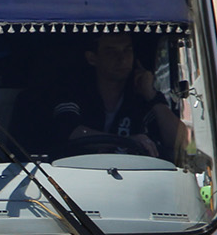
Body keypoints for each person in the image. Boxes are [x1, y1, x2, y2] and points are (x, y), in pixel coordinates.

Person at [51, 31, 185, 159]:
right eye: (111, 52)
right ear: (92, 58)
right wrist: (125, 141)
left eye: (127, 50)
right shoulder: (75, 90)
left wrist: (152, 96)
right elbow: (69, 131)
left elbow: (181, 142)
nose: (122, 59)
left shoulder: (139, 98)